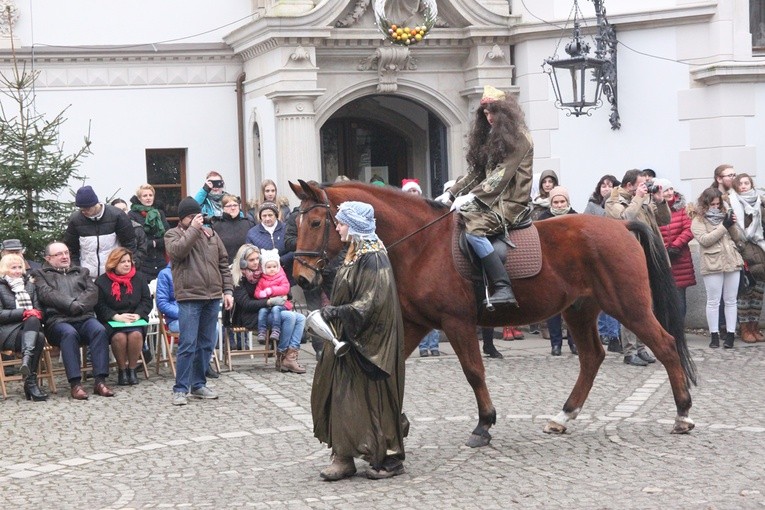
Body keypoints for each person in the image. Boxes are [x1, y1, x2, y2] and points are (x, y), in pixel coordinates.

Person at [312, 201, 408, 481]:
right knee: (341, 396)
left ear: (354, 226)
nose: (338, 227)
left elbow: (373, 302)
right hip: (346, 334)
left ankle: (389, 458)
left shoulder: (373, 256)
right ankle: (343, 456)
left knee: (373, 400)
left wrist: (338, 312)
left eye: (341, 223)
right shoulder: (353, 253)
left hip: (370, 340)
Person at [436, 85, 534, 309]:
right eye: (486, 113)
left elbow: (502, 174)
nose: (489, 117)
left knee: (474, 232)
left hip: (511, 202)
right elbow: (476, 173)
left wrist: (471, 197)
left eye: (493, 112)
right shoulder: (491, 138)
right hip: (490, 199)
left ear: (505, 113)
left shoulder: (520, 138)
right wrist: (451, 194)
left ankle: (503, 286)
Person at [165, 197, 234, 405]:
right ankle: (180, 388)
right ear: (183, 218)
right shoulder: (173, 234)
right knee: (188, 343)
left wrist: (228, 290)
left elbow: (224, 262)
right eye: (191, 216)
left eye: (198, 215)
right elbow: (177, 252)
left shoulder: (211, 234)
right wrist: (193, 230)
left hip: (212, 296)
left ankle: (198, 384)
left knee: (206, 343)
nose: (197, 219)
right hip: (189, 297)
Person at [33, 241, 114, 399]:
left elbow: (92, 292)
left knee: (99, 330)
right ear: (48, 258)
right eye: (59, 254)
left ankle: (100, 381)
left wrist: (79, 306)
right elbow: (47, 294)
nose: (64, 257)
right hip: (58, 321)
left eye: (66, 253)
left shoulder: (81, 271)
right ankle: (75, 384)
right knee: (68, 334)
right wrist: (71, 305)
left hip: (84, 318)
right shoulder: (40, 274)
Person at [605, 169, 670, 366]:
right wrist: (639, 198)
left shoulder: (642, 199)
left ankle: (641, 348)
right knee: (632, 306)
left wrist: (660, 201)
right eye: (642, 183)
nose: (645, 186)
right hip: (628, 261)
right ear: (629, 185)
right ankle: (630, 351)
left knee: (646, 306)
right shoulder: (613, 200)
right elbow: (625, 219)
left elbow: (666, 220)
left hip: (648, 257)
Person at [229, 244, 306, 373]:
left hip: (269, 311)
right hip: (250, 315)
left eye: (256, 259)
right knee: (289, 316)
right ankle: (281, 355)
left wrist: (283, 294)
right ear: (243, 261)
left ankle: (290, 356)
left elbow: (284, 288)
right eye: (251, 260)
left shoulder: (264, 270)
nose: (255, 262)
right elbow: (246, 304)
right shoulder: (238, 277)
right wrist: (269, 301)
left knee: (301, 318)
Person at [690, 188, 743, 349]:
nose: (715, 207)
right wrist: (724, 226)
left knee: (731, 300)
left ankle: (730, 334)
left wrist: (731, 224)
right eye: (712, 204)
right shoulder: (697, 220)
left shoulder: (724, 214)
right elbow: (705, 240)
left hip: (731, 260)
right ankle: (714, 335)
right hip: (712, 262)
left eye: (718, 204)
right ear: (705, 204)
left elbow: (737, 238)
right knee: (713, 301)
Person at [94, 248, 152, 386]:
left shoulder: (139, 278)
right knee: (119, 337)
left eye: (128, 261)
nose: (127, 264)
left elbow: (146, 301)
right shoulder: (102, 281)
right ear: (113, 264)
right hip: (113, 320)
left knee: (135, 335)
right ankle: (122, 370)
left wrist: (138, 314)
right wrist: (116, 317)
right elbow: (99, 305)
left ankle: (132, 369)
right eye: (122, 262)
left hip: (135, 318)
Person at [537, 186, 579, 356]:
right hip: (551, 270)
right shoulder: (543, 219)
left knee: (574, 308)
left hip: (572, 269)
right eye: (556, 202)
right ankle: (556, 344)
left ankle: (574, 342)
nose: (560, 205)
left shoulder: (576, 217)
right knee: (554, 310)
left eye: (562, 201)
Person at [0, 253, 48, 401]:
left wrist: (35, 314)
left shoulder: (29, 285)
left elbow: (40, 310)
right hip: (7, 332)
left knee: (35, 324)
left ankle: (27, 366)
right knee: (38, 337)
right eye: (13, 267)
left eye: (20, 267)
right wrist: (24, 313)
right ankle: (30, 383)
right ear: (4, 270)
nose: (17, 270)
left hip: (30, 329)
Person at [582, 174, 622, 350]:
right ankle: (603, 333)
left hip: (613, 253)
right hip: (595, 254)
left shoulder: (617, 205)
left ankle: (614, 334)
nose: (606, 188)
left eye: (610, 185)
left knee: (611, 298)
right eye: (603, 185)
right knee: (599, 298)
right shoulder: (592, 205)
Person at [64, 185, 137, 278]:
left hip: (114, 275)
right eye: (81, 209)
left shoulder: (117, 215)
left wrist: (128, 269)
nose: (84, 212)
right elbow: (71, 249)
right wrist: (77, 270)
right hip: (86, 276)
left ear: (95, 203)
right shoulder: (76, 219)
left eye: (87, 208)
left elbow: (129, 244)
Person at [728, 173, 765, 343]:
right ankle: (744, 329)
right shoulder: (731, 202)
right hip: (743, 250)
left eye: (746, 183)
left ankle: (754, 327)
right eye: (740, 183)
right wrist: (741, 247)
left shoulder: (759, 202)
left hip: (761, 249)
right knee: (745, 293)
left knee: (758, 293)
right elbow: (733, 229)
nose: (743, 186)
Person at [656, 178, 696, 329]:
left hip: (680, 258)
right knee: (663, 297)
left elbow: (688, 229)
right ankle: (665, 328)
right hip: (661, 257)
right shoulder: (654, 210)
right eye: (665, 190)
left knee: (679, 297)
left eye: (671, 189)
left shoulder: (682, 209)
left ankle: (678, 328)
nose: (669, 193)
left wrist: (675, 246)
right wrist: (662, 249)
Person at [128, 184, 171, 281]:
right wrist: (153, 243)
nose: (148, 198)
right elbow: (136, 239)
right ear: (139, 198)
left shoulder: (159, 213)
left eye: (150, 195)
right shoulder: (132, 214)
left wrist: (154, 243)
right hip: (143, 261)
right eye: (145, 196)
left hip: (160, 259)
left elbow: (167, 235)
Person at [246, 201, 295, 283]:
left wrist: (281, 260)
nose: (267, 218)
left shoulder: (287, 229)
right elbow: (249, 254)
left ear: (276, 215)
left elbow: (296, 249)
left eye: (270, 215)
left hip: (289, 273)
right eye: (264, 216)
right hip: (264, 279)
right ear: (260, 217)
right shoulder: (252, 233)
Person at [254, 249, 293, 344]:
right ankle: (261, 331)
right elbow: (257, 292)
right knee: (262, 311)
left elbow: (285, 288)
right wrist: (261, 294)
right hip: (268, 304)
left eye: (274, 266)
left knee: (276, 309)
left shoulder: (281, 277)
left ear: (278, 267)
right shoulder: (262, 280)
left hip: (281, 303)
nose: (272, 269)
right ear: (264, 268)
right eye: (269, 267)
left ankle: (276, 330)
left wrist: (271, 290)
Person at [211, 194, 255, 264]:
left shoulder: (248, 224)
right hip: (225, 266)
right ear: (223, 208)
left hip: (245, 266)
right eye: (229, 206)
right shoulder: (216, 226)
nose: (233, 208)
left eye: (235, 205)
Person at [110, 198, 148, 272]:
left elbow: (142, 249)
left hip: (132, 268)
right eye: (118, 209)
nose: (122, 212)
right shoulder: (108, 229)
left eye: (124, 209)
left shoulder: (137, 227)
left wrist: (133, 262)